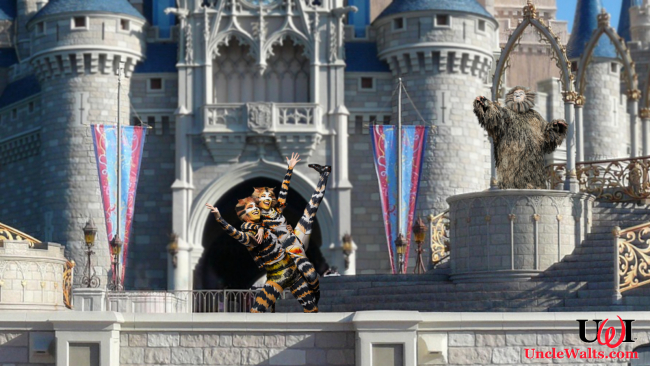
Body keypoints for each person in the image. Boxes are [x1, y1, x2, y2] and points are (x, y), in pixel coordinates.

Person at [243, 153, 330, 304]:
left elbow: (284, 190)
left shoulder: (276, 210)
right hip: (287, 251)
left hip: (295, 240)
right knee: (310, 276)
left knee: (311, 208)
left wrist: (290, 169)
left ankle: (324, 174)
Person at [205, 200, 318, 313]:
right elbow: (235, 233)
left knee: (311, 308)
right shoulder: (250, 235)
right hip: (277, 276)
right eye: (250, 207)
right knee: (256, 312)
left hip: (293, 272)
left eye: (255, 206)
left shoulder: (267, 226)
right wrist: (219, 218)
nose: (255, 208)